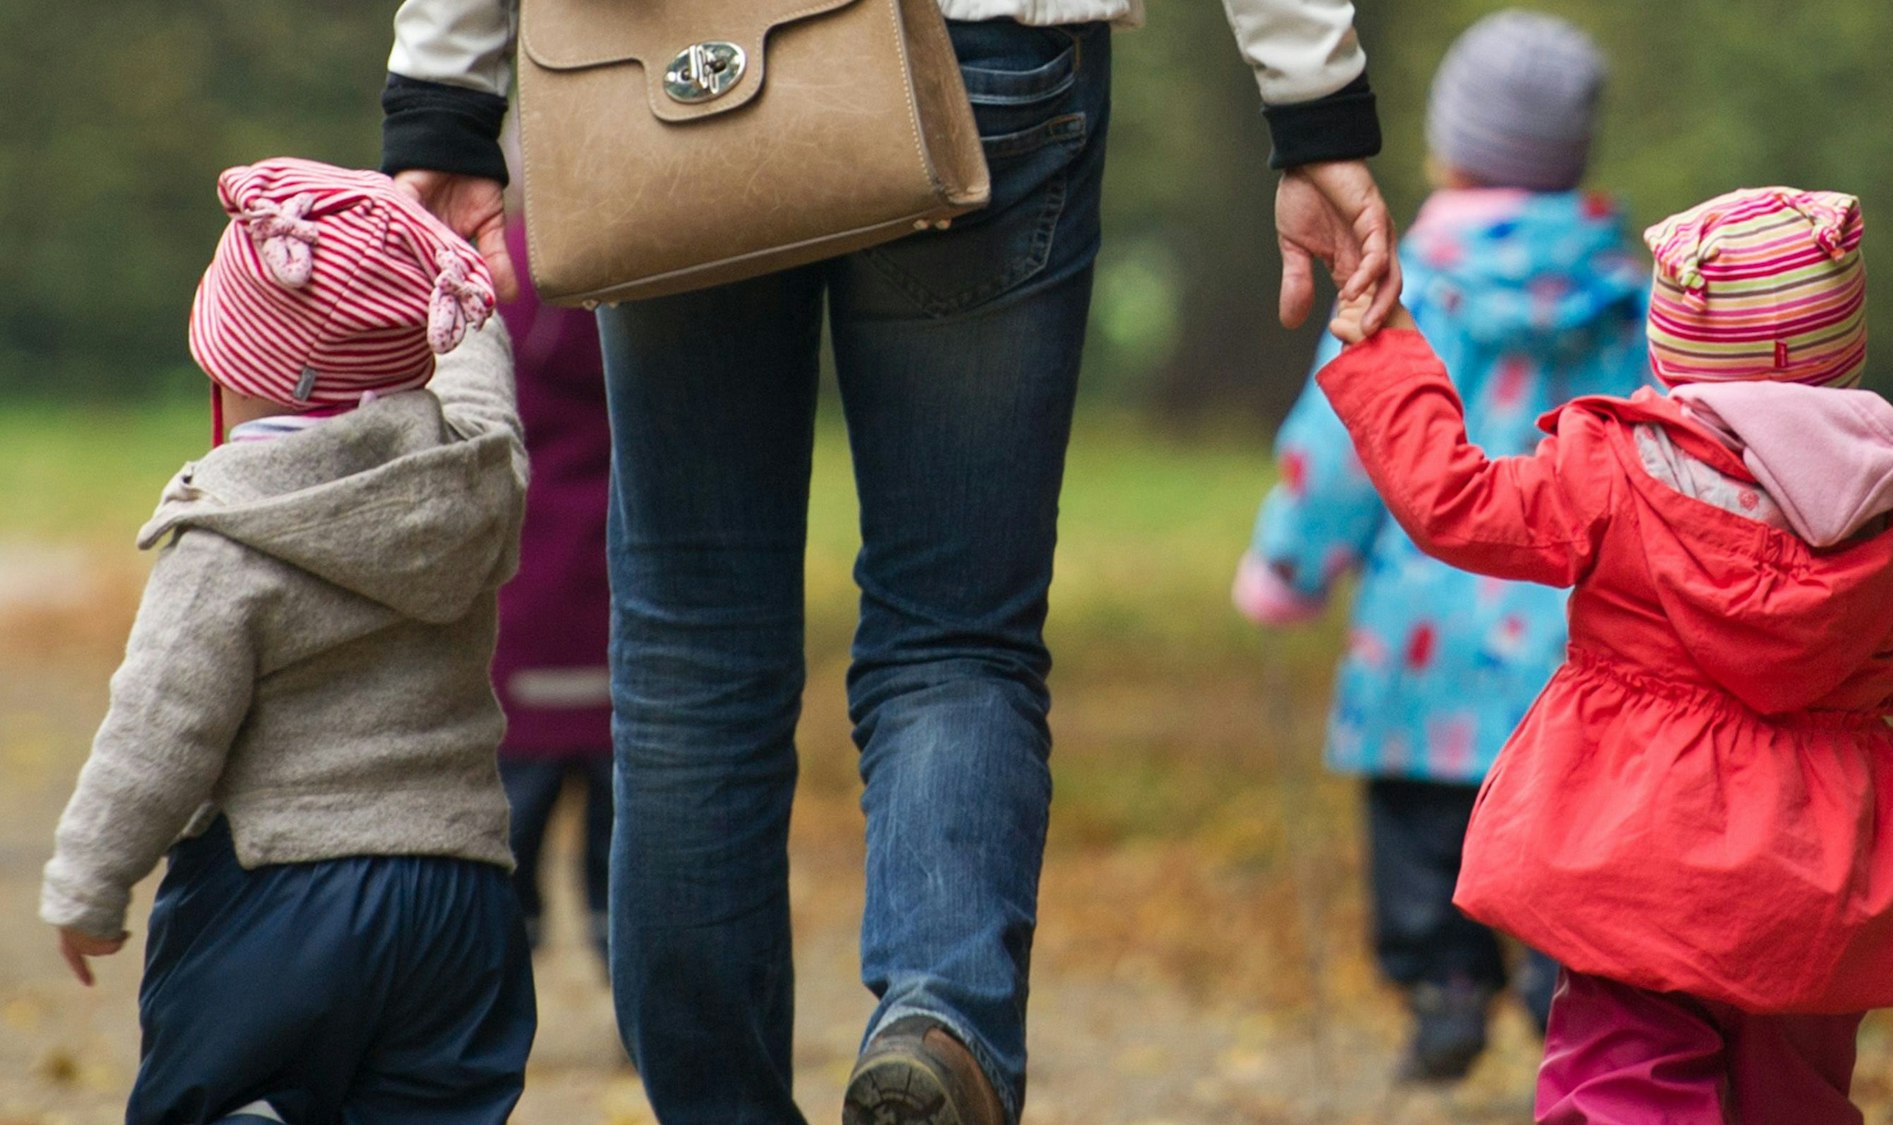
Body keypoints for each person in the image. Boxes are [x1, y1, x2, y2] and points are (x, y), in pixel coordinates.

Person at [379, 0, 1399, 1120]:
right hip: (985, 54)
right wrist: (1313, 106)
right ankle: (939, 1013)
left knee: (692, 649)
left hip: (670, 55)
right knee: (956, 634)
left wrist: (443, 103)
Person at [1316, 187, 1893, 1124]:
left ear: (1674, 348)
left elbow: (1454, 502)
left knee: (1624, 1088)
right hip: (1816, 873)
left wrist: (1382, 347)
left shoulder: (1618, 472)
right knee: (1797, 1098)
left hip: (1638, 851)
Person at [39, 158, 536, 1123]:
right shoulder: (474, 484)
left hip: (278, 898)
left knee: (224, 1097)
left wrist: (91, 877)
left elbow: (161, 727)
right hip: (460, 898)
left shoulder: (227, 533)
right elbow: (488, 405)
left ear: (229, 367)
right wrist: (448, 268)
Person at [1233, 10, 1648, 1082]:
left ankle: (1442, 981)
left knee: (1422, 819)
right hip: (1579, 633)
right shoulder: (1631, 291)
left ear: (1451, 145)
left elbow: (1342, 443)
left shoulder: (1406, 278)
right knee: (1569, 826)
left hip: (1426, 634)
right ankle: (1563, 982)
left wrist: (1288, 562)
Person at [490, 212, 617, 973]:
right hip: (619, 591)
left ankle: (486, 997)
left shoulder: (497, 278)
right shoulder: (647, 265)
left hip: (522, 605)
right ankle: (646, 1001)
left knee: (503, 843)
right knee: (630, 843)